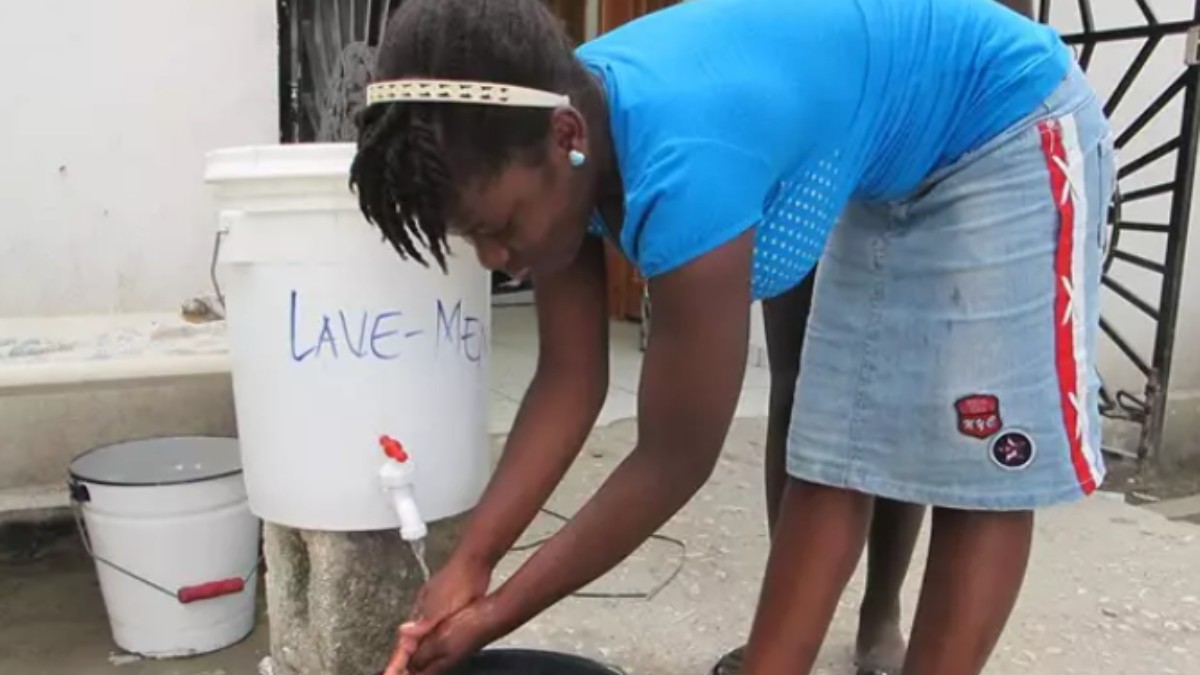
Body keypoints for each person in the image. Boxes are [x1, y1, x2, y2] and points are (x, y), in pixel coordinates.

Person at [350, 0, 1114, 673]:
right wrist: (471, 562)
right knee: (828, 458)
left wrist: (499, 612)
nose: (495, 258)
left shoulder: (684, 167)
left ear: (566, 137)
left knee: (978, 472)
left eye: (498, 228)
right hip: (895, 157)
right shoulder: (549, 130)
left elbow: (673, 458)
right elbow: (570, 377)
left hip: (1005, 122)